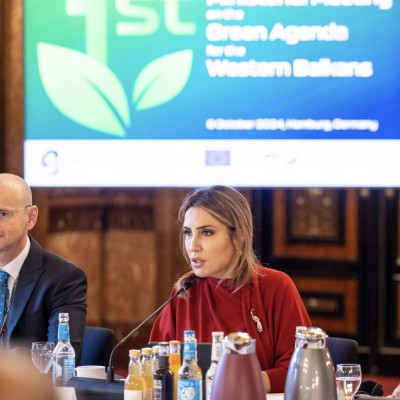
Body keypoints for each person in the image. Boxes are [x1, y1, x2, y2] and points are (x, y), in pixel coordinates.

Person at [149, 185, 312, 393]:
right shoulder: (185, 291)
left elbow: (301, 369)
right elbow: (155, 364)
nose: (193, 245)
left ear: (239, 237)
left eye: (207, 232)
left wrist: (234, 382)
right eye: (188, 233)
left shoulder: (276, 287)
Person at [0, 173, 87, 360]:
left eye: (3, 214)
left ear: (31, 217)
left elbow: (62, 358)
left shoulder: (64, 279)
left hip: (26, 388)